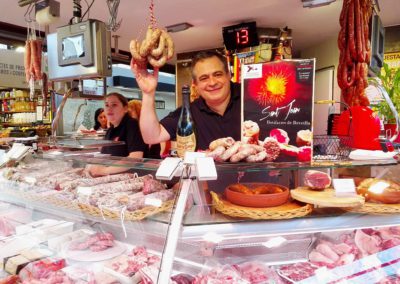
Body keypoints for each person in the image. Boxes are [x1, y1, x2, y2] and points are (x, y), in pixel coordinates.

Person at [131, 50, 241, 151]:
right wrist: (148, 93)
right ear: (195, 84)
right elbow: (152, 137)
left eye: (217, 74)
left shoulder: (252, 97)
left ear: (228, 75)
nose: (212, 83)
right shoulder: (189, 112)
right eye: (204, 78)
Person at [87, 92, 152, 176]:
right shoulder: (111, 129)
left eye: (114, 105)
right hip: (114, 177)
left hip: (133, 178)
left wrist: (104, 171)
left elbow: (135, 157)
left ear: (125, 108)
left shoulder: (132, 125)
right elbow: (105, 156)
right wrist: (91, 167)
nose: (109, 109)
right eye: (106, 105)